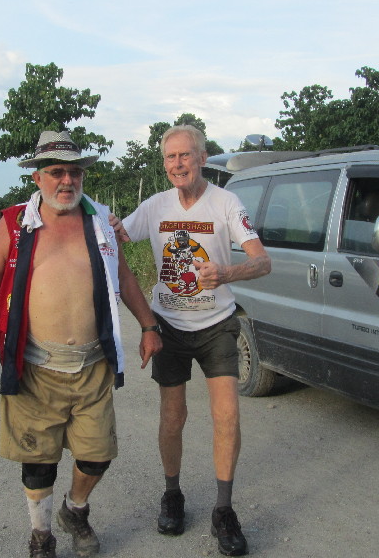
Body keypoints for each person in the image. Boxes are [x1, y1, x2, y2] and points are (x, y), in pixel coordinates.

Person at [0, 130, 163, 558]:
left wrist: (148, 325)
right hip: (35, 366)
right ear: (37, 178)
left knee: (97, 456)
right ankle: (41, 536)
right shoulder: (15, 223)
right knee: (38, 462)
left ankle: (76, 508)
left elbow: (124, 278)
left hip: (93, 365)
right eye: (56, 172)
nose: (67, 180)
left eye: (74, 172)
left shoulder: (101, 221)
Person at [113, 125, 271, 557]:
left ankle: (224, 510)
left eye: (186, 156)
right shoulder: (155, 206)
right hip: (169, 325)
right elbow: (117, 236)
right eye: (171, 157)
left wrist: (227, 272)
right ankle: (172, 495)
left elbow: (262, 262)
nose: (178, 164)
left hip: (217, 325)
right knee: (172, 416)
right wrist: (102, 222)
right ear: (164, 163)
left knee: (227, 415)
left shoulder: (226, 203)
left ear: (202, 158)